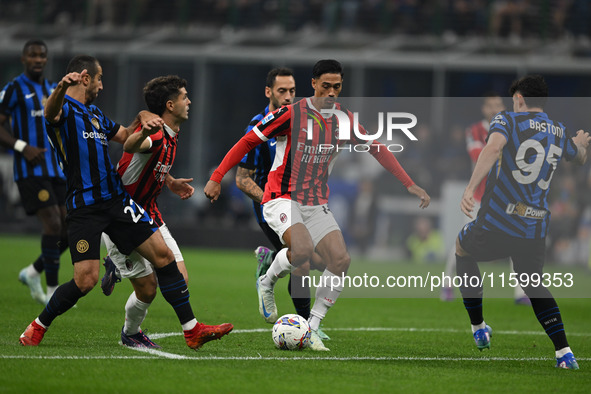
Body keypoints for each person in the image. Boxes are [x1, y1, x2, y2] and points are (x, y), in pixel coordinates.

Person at [205, 59, 430, 351]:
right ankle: (267, 281)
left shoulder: (344, 119)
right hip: (280, 197)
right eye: (326, 86)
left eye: (337, 86)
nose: (332, 92)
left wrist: (408, 183)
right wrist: (216, 176)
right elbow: (247, 142)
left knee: (340, 260)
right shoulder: (289, 114)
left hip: (315, 202)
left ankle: (311, 327)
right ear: (313, 85)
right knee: (301, 254)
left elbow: (377, 148)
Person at [18, 55, 233, 349]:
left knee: (164, 257)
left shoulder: (94, 115)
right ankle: (38, 326)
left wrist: (144, 117)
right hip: (85, 206)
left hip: (117, 201)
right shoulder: (64, 110)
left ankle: (192, 330)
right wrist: (59, 89)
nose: (102, 85)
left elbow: (126, 136)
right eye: (99, 78)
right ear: (84, 78)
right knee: (85, 280)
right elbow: (50, 114)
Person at [455, 74, 589, 370]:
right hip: (534, 228)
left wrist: (469, 188)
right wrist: (580, 144)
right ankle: (564, 353)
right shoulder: (557, 130)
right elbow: (579, 157)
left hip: (498, 222)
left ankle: (478, 328)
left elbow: (492, 148)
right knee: (533, 284)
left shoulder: (507, 121)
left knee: (462, 248)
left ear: (518, 99)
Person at [99, 75, 196, 348]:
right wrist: (140, 131)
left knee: (180, 279)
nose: (189, 101)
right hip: (123, 218)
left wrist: (170, 181)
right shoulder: (154, 132)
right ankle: (130, 333)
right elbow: (131, 144)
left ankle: (115, 267)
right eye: (184, 97)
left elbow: (148, 163)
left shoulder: (170, 135)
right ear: (170, 105)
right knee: (149, 289)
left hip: (150, 213)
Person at [234, 67, 330, 340]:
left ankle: (269, 261)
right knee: (302, 261)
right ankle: (307, 329)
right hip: (271, 205)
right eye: (281, 91)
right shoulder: (257, 126)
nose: (288, 97)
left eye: (292, 91)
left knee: (324, 262)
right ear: (268, 92)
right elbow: (242, 179)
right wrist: (273, 199)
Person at [441, 93, 529, 304]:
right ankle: (446, 283)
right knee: (464, 242)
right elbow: (478, 156)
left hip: (507, 197)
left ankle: (520, 293)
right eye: (490, 105)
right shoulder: (475, 130)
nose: (494, 109)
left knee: (517, 241)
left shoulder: (512, 128)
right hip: (480, 197)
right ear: (484, 109)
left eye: (497, 104)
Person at [0, 39, 68, 304]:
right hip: (30, 170)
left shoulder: (53, 89)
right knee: (52, 221)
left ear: (46, 60)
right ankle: (53, 291)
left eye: (42, 55)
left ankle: (33, 271)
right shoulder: (14, 89)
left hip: (57, 170)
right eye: (33, 55)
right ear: (24, 59)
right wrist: (22, 146)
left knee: (70, 228)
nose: (38, 59)